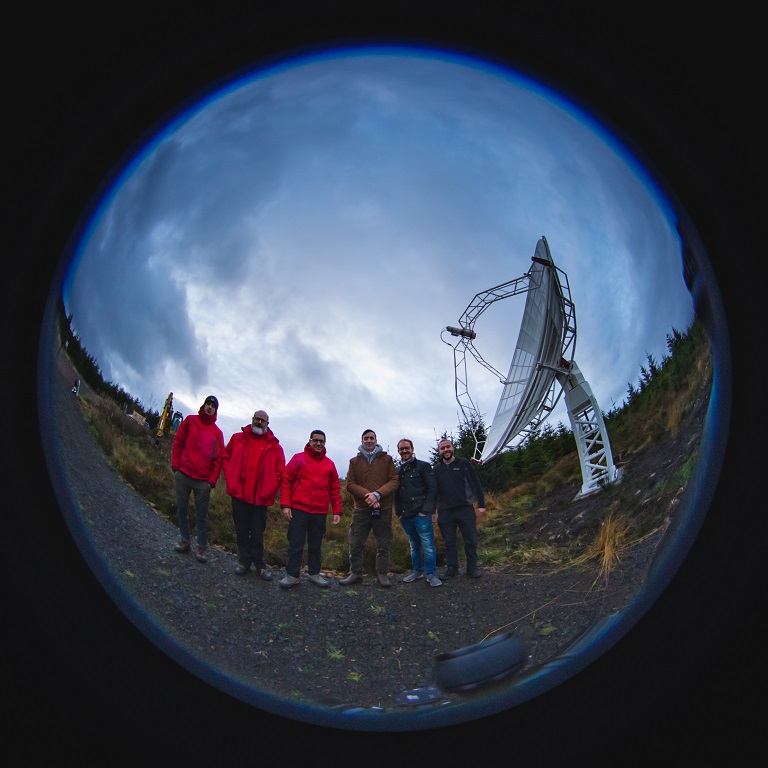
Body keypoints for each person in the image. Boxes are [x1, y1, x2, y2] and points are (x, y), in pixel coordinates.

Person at [222, 409, 285, 580]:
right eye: (257, 419)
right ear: (252, 419)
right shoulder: (237, 438)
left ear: (267, 424)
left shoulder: (275, 447)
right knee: (241, 530)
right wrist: (231, 477)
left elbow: (280, 471)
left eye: (263, 420)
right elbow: (225, 457)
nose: (259, 422)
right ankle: (243, 562)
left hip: (260, 498)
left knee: (257, 532)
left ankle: (260, 564)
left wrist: (271, 487)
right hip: (239, 495)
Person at [278, 430, 342, 588]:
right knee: (295, 543)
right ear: (310, 441)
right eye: (316, 440)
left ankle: (314, 573)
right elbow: (286, 481)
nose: (319, 444)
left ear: (325, 443)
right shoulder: (298, 458)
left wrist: (337, 511)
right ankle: (292, 575)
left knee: (315, 545)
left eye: (322, 441)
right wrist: (285, 505)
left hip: (319, 512)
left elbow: (334, 489)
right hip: (298, 509)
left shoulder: (329, 464)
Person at [340, 429, 399, 587]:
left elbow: (394, 481)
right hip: (361, 509)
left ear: (376, 440)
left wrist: (378, 494)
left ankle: (382, 574)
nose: (368, 440)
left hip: (383, 508)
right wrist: (369, 496)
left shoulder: (387, 460)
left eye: (371, 438)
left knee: (383, 542)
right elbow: (350, 484)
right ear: (362, 441)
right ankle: (356, 573)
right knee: (355, 542)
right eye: (365, 438)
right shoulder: (354, 461)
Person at [171, 394, 225, 563]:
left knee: (201, 516)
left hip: (203, 482)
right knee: (182, 509)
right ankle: (184, 541)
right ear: (203, 406)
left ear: (216, 410)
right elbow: (178, 441)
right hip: (184, 475)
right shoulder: (190, 421)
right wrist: (176, 465)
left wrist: (212, 481)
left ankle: (201, 548)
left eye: (213, 405)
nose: (210, 407)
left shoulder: (217, 433)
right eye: (208, 404)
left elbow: (219, 459)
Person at [433, 438, 486, 578]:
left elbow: (475, 484)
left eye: (448, 447)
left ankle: (472, 568)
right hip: (445, 512)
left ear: (453, 448)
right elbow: (434, 491)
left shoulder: (464, 464)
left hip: (465, 509)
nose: (446, 450)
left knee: (470, 540)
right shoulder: (437, 469)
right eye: (442, 448)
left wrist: (481, 505)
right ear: (439, 451)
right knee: (449, 542)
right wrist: (433, 510)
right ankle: (452, 569)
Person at [394, 438, 441, 587]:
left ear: (412, 448)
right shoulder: (398, 471)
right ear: (398, 451)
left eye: (407, 448)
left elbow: (432, 489)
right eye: (401, 449)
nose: (404, 451)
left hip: (421, 514)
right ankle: (417, 571)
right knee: (414, 545)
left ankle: (431, 574)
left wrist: (425, 510)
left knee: (427, 545)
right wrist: (399, 512)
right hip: (406, 516)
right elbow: (396, 493)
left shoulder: (424, 466)